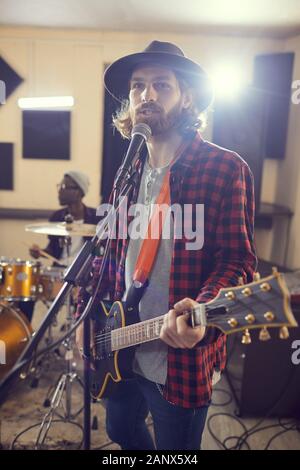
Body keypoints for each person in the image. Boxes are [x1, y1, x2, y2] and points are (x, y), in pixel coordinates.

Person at [75, 40, 257, 450]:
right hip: (121, 344)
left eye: (162, 85)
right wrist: (87, 317)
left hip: (178, 356)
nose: (147, 95)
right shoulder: (128, 171)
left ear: (187, 97)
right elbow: (112, 259)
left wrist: (203, 309)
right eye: (138, 86)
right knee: (120, 431)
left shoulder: (226, 167)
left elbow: (239, 260)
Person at [19, 171, 98, 323]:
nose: (59, 191)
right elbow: (52, 249)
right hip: (59, 272)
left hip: (84, 272)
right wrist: (40, 252)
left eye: (64, 187)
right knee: (27, 289)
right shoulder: (57, 217)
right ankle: (25, 334)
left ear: (78, 192)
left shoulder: (95, 217)